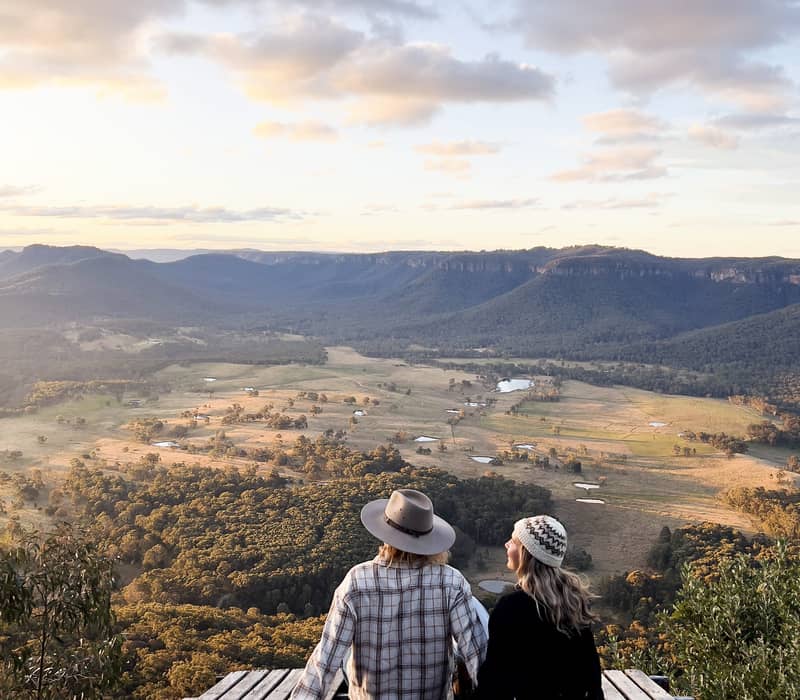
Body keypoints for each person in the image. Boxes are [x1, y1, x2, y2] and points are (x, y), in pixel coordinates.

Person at [291, 488, 487, 700]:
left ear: (385, 535)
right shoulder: (451, 582)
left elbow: (325, 661)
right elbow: (476, 655)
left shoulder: (356, 582)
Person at [476, 515, 603, 699]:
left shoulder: (511, 608)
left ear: (526, 553)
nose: (506, 544)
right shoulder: (574, 601)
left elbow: (495, 681)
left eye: (512, 541)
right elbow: (591, 674)